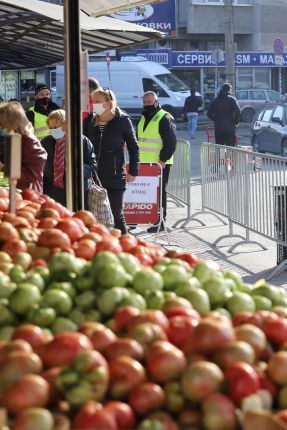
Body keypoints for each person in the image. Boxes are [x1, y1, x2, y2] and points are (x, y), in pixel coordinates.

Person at [86, 88, 139, 234]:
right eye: (93, 101)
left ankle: (126, 247)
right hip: (93, 175)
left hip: (115, 176)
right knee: (93, 216)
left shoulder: (123, 120)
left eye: (98, 102)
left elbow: (134, 148)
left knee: (116, 215)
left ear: (109, 104)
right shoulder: (89, 121)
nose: (94, 105)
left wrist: (133, 171)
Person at [137, 91, 177, 233]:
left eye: (150, 102)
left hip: (160, 163)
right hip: (145, 163)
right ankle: (142, 219)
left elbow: (171, 142)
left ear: (156, 102)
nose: (147, 104)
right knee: (146, 192)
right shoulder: (144, 117)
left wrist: (162, 160)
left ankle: (161, 221)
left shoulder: (164, 117)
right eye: (145, 102)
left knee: (160, 193)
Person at [41, 109, 97, 208]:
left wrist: (76, 170)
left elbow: (92, 165)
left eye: (56, 127)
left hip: (75, 191)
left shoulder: (81, 141)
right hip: (51, 191)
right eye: (51, 127)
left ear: (66, 125)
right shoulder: (46, 142)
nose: (53, 130)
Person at [0, 101, 47, 192]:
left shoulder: (29, 141)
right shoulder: (14, 139)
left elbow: (32, 175)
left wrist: (3, 168)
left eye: (2, 124)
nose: (2, 127)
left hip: (28, 193)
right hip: (16, 190)